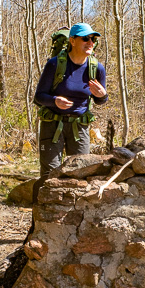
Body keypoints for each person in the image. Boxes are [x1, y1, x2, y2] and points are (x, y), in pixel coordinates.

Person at [33, 22, 108, 177]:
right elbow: (39, 97)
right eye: (85, 38)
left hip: (79, 127)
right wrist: (55, 101)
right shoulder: (55, 64)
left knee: (81, 172)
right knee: (49, 173)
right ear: (72, 41)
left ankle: (73, 202)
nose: (90, 43)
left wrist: (103, 96)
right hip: (53, 125)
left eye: (93, 39)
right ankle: (45, 201)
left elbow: (100, 101)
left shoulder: (97, 68)